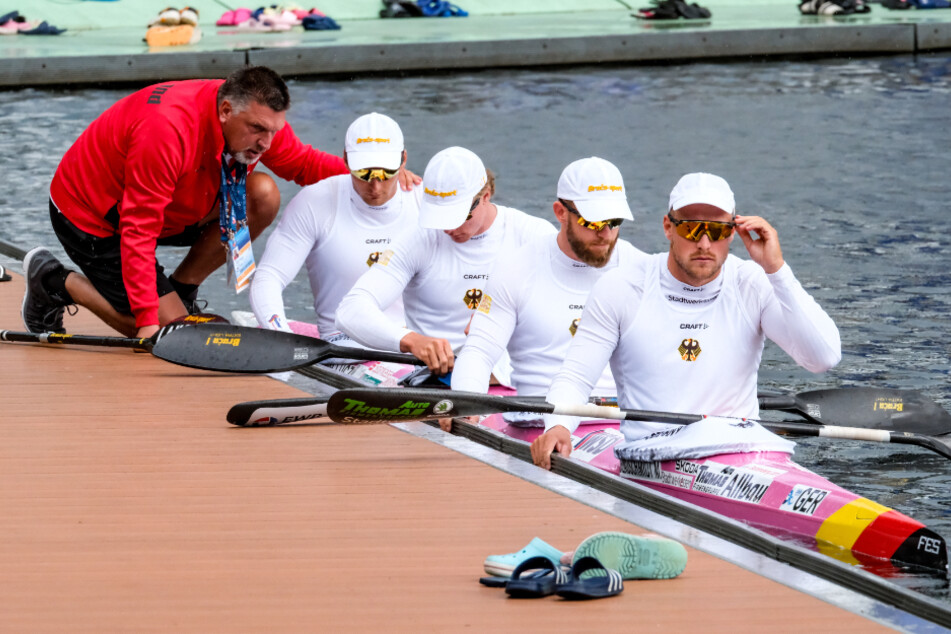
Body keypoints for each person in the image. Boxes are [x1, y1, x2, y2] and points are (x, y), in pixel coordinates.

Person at [21, 65, 417, 338]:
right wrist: (147, 320)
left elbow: (302, 164)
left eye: (273, 131)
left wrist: (372, 171)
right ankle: (54, 282)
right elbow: (136, 232)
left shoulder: (254, 118)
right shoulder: (166, 132)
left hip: (170, 207)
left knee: (263, 194)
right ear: (226, 110)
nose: (265, 143)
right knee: (164, 331)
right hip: (93, 217)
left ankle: (182, 289)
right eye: (257, 130)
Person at [531, 172, 842, 469]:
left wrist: (776, 269)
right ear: (668, 227)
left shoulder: (752, 283)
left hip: (741, 450)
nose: (705, 243)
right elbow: (575, 376)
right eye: (692, 229)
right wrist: (559, 426)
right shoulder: (622, 288)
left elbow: (823, 358)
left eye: (717, 230)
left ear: (733, 232)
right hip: (653, 453)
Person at [335, 146, 556, 377]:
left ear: (485, 197)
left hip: (511, 371)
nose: (449, 228)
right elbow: (350, 311)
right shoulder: (418, 240)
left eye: (458, 216)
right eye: (440, 216)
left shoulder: (533, 235)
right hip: (433, 376)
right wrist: (410, 341)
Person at [451, 157, 649, 397]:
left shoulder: (642, 271)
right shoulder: (517, 268)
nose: (605, 234)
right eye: (593, 222)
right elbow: (479, 351)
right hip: (534, 420)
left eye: (615, 221)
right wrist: (465, 399)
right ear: (560, 212)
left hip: (620, 422)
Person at [249, 112, 419, 337]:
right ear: (346, 160)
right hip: (344, 346)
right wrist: (279, 332)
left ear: (403, 160)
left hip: (419, 343)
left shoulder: (427, 205)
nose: (376, 187)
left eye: (386, 172)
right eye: (364, 173)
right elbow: (269, 276)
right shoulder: (314, 203)